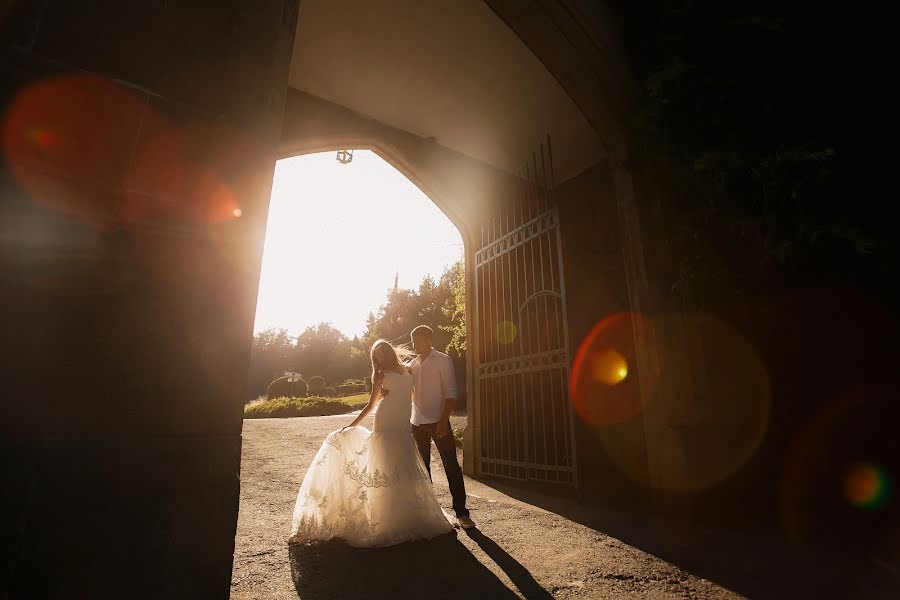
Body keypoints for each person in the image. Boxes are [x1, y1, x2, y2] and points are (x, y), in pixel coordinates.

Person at [288, 340, 453, 547]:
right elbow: (371, 404)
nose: (380, 357)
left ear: (389, 352)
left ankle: (407, 515)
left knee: (403, 466)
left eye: (382, 353)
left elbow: (415, 396)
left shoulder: (409, 369)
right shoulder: (380, 374)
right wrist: (351, 425)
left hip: (403, 424)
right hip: (385, 421)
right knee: (384, 468)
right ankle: (385, 519)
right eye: (377, 356)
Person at [408, 325, 475, 529]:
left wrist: (443, 421)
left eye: (418, 340)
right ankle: (429, 514)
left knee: (451, 466)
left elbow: (450, 392)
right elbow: (409, 392)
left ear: (428, 339)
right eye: (413, 341)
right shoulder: (412, 365)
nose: (415, 345)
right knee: (422, 469)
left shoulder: (443, 360)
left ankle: (462, 513)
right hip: (417, 423)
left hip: (438, 422)